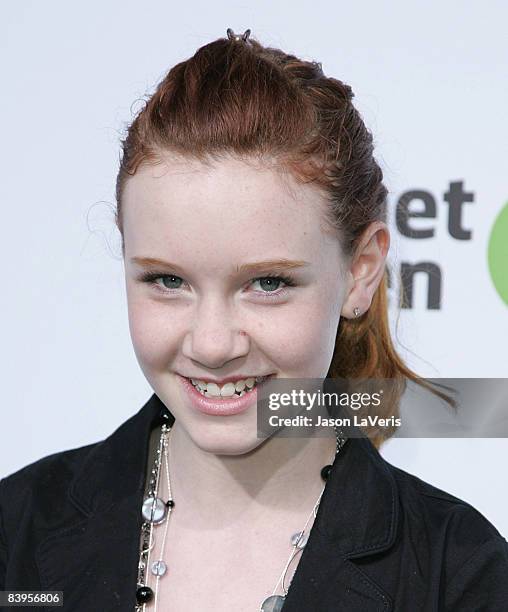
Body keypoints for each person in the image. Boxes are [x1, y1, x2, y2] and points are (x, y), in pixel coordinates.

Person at [1, 28, 507, 612]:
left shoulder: (457, 576)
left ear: (361, 272)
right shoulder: (18, 534)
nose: (213, 344)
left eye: (267, 283)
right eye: (168, 281)